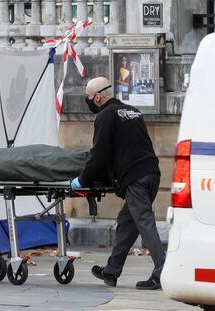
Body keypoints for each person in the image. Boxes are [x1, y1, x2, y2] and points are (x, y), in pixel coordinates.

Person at [71, 77, 166, 290]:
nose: (89, 102)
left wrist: (82, 180)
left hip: (135, 178)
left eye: (89, 97)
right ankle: (111, 271)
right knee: (128, 222)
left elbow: (99, 155)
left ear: (97, 96)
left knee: (144, 222)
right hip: (151, 173)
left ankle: (163, 272)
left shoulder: (105, 115)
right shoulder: (133, 111)